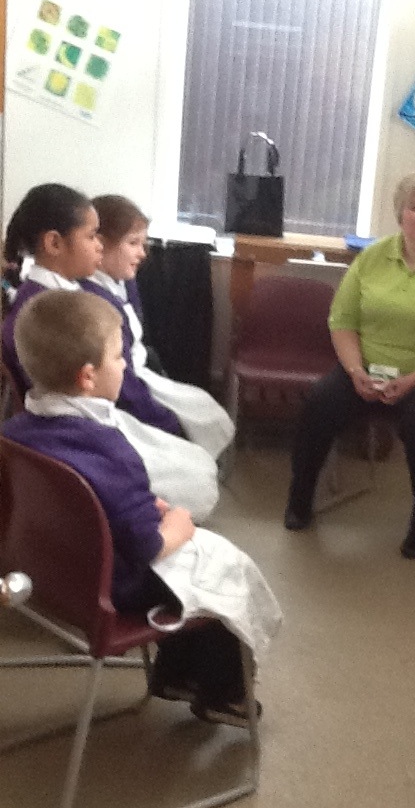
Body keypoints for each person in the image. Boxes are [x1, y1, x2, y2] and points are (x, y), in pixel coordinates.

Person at [1, 288, 282, 725]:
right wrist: (178, 524)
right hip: (112, 586)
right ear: (88, 377)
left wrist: (139, 504)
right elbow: (148, 546)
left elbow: (86, 497)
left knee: (197, 569)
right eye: (119, 357)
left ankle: (176, 676)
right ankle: (224, 694)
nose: (125, 365)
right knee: (224, 571)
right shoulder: (109, 448)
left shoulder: (15, 433)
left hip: (54, 573)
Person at [284, 169, 415, 559]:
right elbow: (342, 321)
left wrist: (413, 380)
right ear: (400, 213)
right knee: (320, 402)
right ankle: (299, 499)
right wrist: (355, 371)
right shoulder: (373, 258)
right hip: (370, 369)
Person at [1, 183, 219, 521]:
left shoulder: (66, 295)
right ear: (54, 243)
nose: (99, 246)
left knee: (196, 466)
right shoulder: (45, 313)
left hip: (92, 416)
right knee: (194, 478)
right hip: (79, 431)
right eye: (91, 236)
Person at [81, 194, 235, 460]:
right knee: (188, 431)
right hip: (127, 389)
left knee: (205, 409)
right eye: (133, 243)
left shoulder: (122, 282)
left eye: (143, 243)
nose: (143, 253)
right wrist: (164, 420)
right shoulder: (97, 304)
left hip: (139, 373)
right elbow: (124, 385)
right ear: (101, 245)